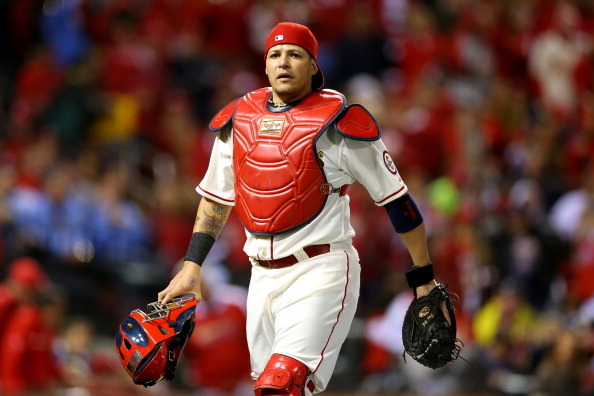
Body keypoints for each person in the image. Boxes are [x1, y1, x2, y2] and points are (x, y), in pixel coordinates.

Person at [158, 22, 443, 396]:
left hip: (320, 270)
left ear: (313, 65)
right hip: (260, 279)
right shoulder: (240, 118)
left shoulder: (338, 121)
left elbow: (397, 200)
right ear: (265, 65)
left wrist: (422, 275)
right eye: (275, 55)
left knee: (283, 385)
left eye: (295, 54)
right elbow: (215, 198)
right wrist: (192, 265)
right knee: (270, 389)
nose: (284, 62)